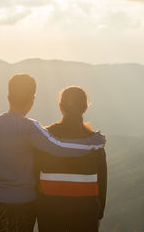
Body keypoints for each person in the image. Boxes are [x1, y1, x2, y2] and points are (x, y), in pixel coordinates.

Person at [0, 74, 105, 232]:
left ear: (8, 97)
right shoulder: (31, 129)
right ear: (32, 100)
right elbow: (59, 148)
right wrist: (93, 142)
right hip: (26, 204)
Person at [36, 86, 107, 232]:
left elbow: (33, 176)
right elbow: (102, 183)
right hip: (86, 215)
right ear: (85, 108)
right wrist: (98, 215)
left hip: (50, 214)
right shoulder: (95, 143)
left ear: (60, 107)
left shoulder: (44, 138)